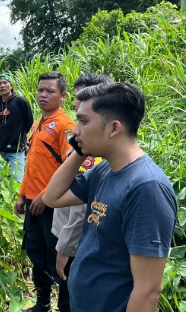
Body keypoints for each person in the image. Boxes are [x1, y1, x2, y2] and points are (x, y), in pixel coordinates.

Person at [41, 82, 178, 312]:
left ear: (114, 128)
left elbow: (147, 292)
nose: (75, 130)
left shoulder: (146, 188)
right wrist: (79, 149)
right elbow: (52, 197)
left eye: (84, 121)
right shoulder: (104, 170)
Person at [15, 72, 75, 312]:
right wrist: (22, 194)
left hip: (53, 206)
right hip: (32, 203)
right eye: (40, 90)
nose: (43, 95)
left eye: (50, 91)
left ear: (63, 96)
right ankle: (42, 303)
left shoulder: (66, 125)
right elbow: (31, 164)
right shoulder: (37, 124)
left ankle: (65, 307)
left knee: (57, 258)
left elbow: (71, 168)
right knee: (36, 254)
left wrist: (45, 196)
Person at [49, 73, 110, 289]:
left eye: (81, 98)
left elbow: (81, 207)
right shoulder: (86, 138)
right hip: (70, 233)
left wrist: (65, 248)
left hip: (76, 240)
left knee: (68, 297)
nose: (76, 103)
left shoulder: (92, 148)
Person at [0, 73, 33, 182]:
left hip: (16, 149)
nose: (2, 86)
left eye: (5, 83)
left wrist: (20, 137)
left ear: (11, 85)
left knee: (17, 181)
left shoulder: (21, 102)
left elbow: (29, 122)